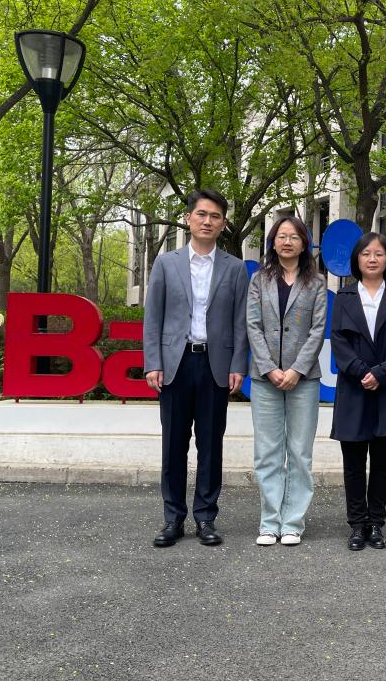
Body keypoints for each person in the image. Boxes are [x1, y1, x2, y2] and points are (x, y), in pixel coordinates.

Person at [143, 189, 248, 548]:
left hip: (215, 366)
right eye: (201, 214)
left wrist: (238, 365)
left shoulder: (235, 268)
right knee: (173, 445)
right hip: (175, 364)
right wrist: (153, 362)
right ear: (188, 218)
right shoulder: (166, 263)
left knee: (210, 445)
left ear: (223, 224)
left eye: (215, 216)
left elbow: (240, 322)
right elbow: (153, 317)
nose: (207, 221)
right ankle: (173, 518)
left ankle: (206, 517)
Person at [246, 215, 327, 546]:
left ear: (304, 243)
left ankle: (292, 522)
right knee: (267, 452)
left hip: (303, 380)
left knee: (299, 453)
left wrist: (296, 369)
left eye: (294, 236)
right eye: (281, 236)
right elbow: (253, 326)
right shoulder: (259, 280)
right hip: (265, 378)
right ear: (273, 242)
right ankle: (270, 522)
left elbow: (318, 330)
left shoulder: (317, 282)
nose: (287, 241)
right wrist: (269, 368)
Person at [330, 233, 386, 551]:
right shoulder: (345, 296)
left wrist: (380, 373)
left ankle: (376, 522)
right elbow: (339, 341)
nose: (373, 259)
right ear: (357, 259)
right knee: (353, 461)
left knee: (381, 461)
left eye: (379, 253)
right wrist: (361, 371)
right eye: (366, 253)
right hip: (354, 389)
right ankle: (357, 523)